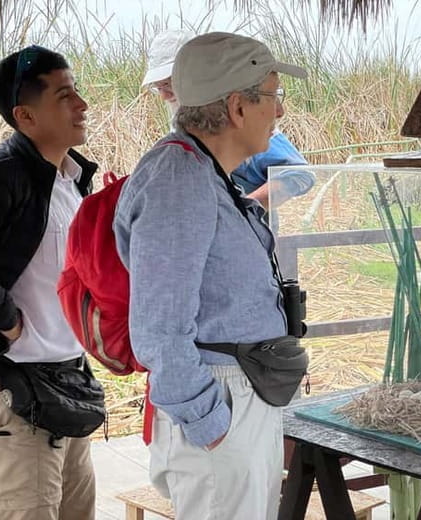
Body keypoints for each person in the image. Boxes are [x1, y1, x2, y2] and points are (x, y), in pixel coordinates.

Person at [115, 32, 307, 519]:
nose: (279, 113)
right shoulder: (179, 179)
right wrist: (210, 424)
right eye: (273, 96)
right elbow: (160, 326)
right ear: (238, 107)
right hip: (221, 396)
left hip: (240, 392)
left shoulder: (206, 173)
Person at [0, 45, 98, 519]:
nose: (82, 105)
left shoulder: (72, 180)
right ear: (25, 115)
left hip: (68, 386)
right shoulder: (3, 177)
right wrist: (7, 321)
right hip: (19, 396)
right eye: (64, 95)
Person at [143, 28, 313, 208]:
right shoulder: (171, 153)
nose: (164, 95)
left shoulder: (239, 127)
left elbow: (299, 172)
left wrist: (245, 209)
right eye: (158, 87)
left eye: (169, 84)